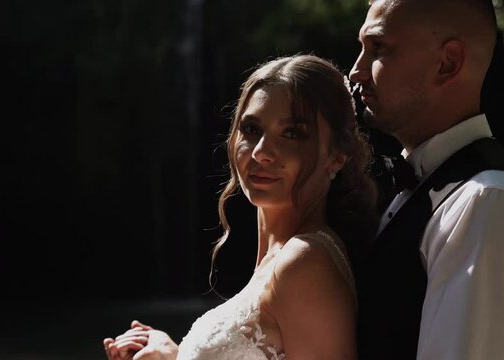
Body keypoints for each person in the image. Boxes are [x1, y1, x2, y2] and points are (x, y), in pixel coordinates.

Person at [103, 54, 379, 360]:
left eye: (292, 133)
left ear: (337, 157)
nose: (261, 152)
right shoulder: (285, 257)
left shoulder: (304, 264)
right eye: (251, 129)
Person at [347, 0, 504, 359]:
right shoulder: (408, 186)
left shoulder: (492, 203)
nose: (356, 71)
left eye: (379, 48)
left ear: (447, 63)